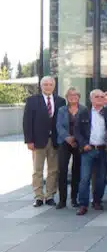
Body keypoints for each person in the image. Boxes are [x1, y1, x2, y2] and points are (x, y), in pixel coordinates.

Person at [23, 76, 66, 207]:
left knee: (53, 170)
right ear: (41, 86)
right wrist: (29, 141)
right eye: (45, 84)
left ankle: (50, 195)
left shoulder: (60, 101)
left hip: (54, 141)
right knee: (37, 170)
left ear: (54, 86)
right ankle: (38, 197)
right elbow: (27, 122)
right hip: (37, 141)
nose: (48, 86)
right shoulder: (32, 101)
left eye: (50, 84)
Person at [74, 89, 107, 215]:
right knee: (85, 178)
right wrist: (83, 144)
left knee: (101, 178)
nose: (100, 99)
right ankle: (83, 204)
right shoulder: (83, 113)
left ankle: (97, 201)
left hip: (103, 150)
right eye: (97, 97)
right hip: (89, 149)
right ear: (91, 99)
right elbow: (77, 131)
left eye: (102, 97)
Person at [55, 87, 85, 209]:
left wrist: (76, 139)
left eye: (75, 95)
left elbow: (85, 127)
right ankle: (62, 200)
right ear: (67, 97)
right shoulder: (62, 110)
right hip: (64, 142)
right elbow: (59, 126)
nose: (73, 97)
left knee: (76, 171)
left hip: (78, 143)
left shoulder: (84, 110)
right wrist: (68, 138)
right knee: (62, 170)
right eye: (70, 95)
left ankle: (74, 199)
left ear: (79, 97)